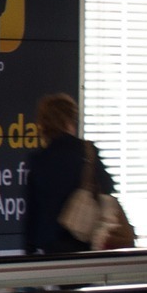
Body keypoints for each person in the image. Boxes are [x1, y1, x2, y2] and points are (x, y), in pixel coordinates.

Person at [24, 92, 116, 256]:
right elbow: (108, 186)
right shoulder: (87, 152)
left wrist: (29, 250)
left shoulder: (38, 160)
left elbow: (32, 211)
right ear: (69, 120)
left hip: (51, 245)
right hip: (84, 239)